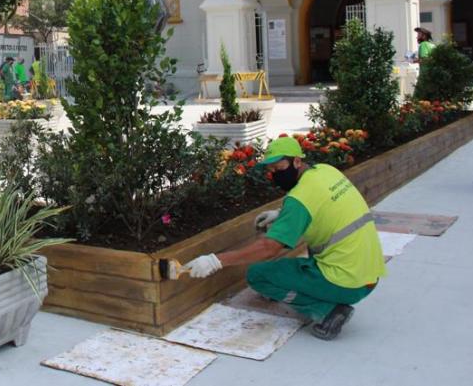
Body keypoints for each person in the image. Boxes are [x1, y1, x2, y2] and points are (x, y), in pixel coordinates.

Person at [163, 137, 386, 341]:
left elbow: (269, 248)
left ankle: (329, 311)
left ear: (297, 161)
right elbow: (324, 205)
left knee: (258, 276)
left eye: (279, 168)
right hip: (370, 274)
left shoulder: (299, 199)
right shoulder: (326, 171)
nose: (275, 174)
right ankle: (323, 293)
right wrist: (283, 215)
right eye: (271, 170)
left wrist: (216, 260)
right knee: (298, 263)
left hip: (347, 283)